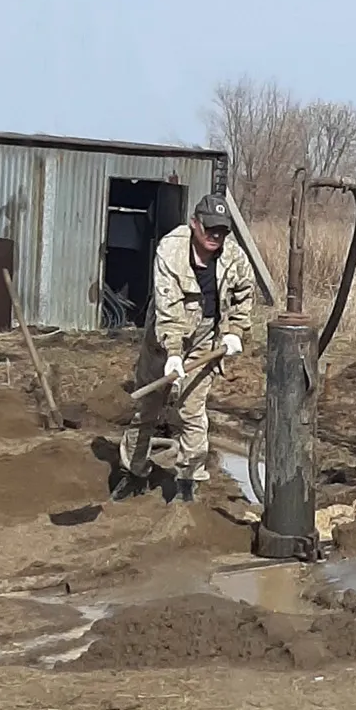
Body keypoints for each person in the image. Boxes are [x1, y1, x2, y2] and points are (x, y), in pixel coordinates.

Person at [115, 193, 256, 502]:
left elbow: (246, 291)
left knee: (192, 412)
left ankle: (188, 482)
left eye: (222, 231)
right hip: (163, 339)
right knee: (147, 409)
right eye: (210, 230)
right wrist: (174, 353)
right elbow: (168, 309)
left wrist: (235, 330)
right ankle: (133, 473)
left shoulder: (233, 256)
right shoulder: (171, 251)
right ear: (195, 224)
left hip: (206, 341)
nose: (216, 237)